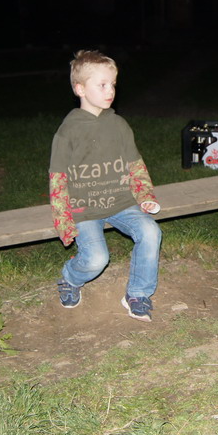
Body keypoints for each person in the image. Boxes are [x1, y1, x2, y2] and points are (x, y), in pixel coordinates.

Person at [49, 50, 162, 322]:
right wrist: (64, 220)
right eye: (102, 85)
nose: (110, 90)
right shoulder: (68, 130)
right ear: (80, 89)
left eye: (112, 84)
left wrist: (144, 195)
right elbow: (58, 178)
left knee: (151, 231)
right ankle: (70, 277)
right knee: (97, 259)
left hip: (121, 201)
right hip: (85, 208)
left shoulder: (119, 125)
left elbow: (135, 164)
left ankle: (138, 293)